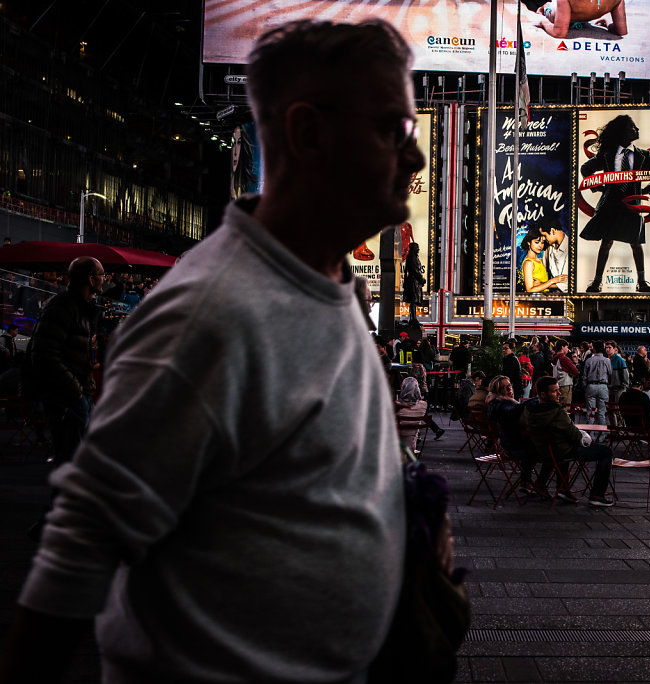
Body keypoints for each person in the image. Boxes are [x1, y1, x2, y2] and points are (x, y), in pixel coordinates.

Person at [1, 20, 431, 683]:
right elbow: (81, 548)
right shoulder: (212, 316)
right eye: (392, 128)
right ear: (307, 133)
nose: (417, 157)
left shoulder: (324, 282)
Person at [27, 257, 104, 467]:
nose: (104, 279)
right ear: (90, 279)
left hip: (81, 395)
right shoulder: (62, 307)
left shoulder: (83, 309)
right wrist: (75, 390)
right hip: (68, 399)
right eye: (101, 275)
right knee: (70, 462)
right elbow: (44, 354)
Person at [580, 115, 650, 293]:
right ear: (622, 132)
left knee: (635, 243)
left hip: (631, 204)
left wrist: (649, 190)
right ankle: (597, 282)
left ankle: (641, 282)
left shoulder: (643, 155)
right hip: (611, 203)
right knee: (606, 242)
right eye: (633, 128)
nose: (637, 130)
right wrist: (598, 187)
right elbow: (586, 169)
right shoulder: (607, 154)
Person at [521, 376, 615, 506]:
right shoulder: (556, 411)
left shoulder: (528, 410)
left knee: (560, 443)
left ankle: (563, 488)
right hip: (561, 451)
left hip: (542, 450)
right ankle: (597, 494)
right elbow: (574, 434)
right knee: (606, 451)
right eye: (555, 391)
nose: (559, 393)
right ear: (543, 394)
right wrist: (584, 438)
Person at [529, 0, 627, 39]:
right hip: (585, 16)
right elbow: (621, 31)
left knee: (547, 5)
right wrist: (609, 23)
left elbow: (559, 33)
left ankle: (543, 8)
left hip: (563, 15)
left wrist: (544, 22)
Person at [395, 376, 445, 448]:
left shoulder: (395, 405)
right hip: (412, 438)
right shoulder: (423, 405)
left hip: (397, 436)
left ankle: (436, 430)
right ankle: (436, 430)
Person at [519, 227, 566, 293]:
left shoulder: (540, 260)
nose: (540, 246)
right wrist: (552, 281)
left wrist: (542, 283)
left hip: (546, 298)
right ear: (529, 242)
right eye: (537, 242)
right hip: (536, 300)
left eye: (542, 243)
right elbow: (529, 290)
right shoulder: (529, 263)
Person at [581, 340, 612, 435]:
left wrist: (584, 387)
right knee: (602, 413)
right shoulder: (607, 361)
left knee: (590, 413)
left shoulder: (589, 360)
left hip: (591, 386)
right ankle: (602, 435)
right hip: (603, 386)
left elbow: (584, 376)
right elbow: (610, 374)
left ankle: (590, 435)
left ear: (594, 348)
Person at [537, 214, 569, 293]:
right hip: (550, 295)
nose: (543, 239)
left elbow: (565, 284)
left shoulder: (571, 248)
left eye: (544, 235)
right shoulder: (549, 247)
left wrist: (541, 285)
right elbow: (543, 269)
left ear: (552, 231)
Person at [552, 339, 579, 406]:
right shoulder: (564, 358)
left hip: (557, 384)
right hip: (565, 386)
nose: (567, 349)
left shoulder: (555, 358)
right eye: (567, 347)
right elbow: (575, 371)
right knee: (565, 408)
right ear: (562, 347)